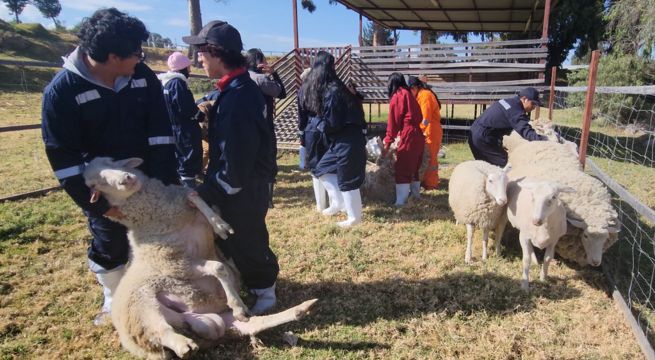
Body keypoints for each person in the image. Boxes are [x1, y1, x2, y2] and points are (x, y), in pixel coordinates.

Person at [40, 8, 178, 324]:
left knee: (155, 236)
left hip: (148, 180)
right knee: (111, 242)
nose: (140, 60)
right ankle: (114, 299)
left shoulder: (142, 77)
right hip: (105, 187)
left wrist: (165, 183)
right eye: (135, 54)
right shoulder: (62, 93)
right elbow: (63, 159)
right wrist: (101, 207)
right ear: (112, 56)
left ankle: (155, 292)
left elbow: (160, 132)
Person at [183, 20, 279, 315]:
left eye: (201, 52)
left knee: (247, 236)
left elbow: (239, 152)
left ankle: (266, 291)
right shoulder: (232, 90)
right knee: (234, 237)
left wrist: (214, 189)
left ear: (216, 53)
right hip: (238, 181)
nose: (198, 58)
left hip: (244, 184)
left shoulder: (239, 96)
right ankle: (254, 282)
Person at [302, 51, 367, 227]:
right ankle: (338, 203)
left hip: (349, 139)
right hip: (341, 139)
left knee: (348, 178)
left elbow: (333, 123)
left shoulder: (334, 91)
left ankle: (354, 218)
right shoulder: (334, 88)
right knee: (322, 169)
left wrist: (317, 123)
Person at [245, 48, 287, 208]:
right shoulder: (260, 79)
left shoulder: (241, 78)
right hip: (263, 126)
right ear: (258, 62)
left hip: (245, 126)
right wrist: (274, 73)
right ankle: (267, 199)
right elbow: (281, 93)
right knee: (268, 161)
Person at [157, 52, 203, 188]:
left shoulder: (165, 84)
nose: (189, 70)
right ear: (183, 68)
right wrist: (200, 115)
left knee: (179, 161)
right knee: (187, 162)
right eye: (188, 67)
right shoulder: (178, 83)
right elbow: (186, 107)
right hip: (184, 130)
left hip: (173, 128)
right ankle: (188, 192)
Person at [468, 87, 546, 167]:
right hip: (483, 139)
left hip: (476, 133)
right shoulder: (515, 110)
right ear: (524, 99)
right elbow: (525, 130)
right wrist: (544, 140)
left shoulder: (509, 102)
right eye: (533, 103)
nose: (534, 107)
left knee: (488, 166)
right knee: (507, 165)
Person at [298, 55, 334, 213]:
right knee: (331, 166)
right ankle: (334, 201)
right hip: (328, 128)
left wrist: (302, 133)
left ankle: (321, 204)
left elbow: (301, 112)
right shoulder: (331, 85)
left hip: (311, 129)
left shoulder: (305, 86)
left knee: (314, 166)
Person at [383, 73, 425, 207]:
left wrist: (387, 143)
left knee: (403, 167)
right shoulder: (410, 95)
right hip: (418, 134)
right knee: (414, 167)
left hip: (409, 135)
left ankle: (400, 202)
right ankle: (416, 196)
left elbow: (393, 122)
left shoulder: (398, 96)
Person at [407, 76, 442, 190]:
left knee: (431, 159)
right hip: (427, 131)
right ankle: (426, 181)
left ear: (414, 88)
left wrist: (416, 131)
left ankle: (431, 184)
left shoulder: (425, 96)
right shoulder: (421, 96)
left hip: (431, 131)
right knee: (426, 158)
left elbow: (425, 119)